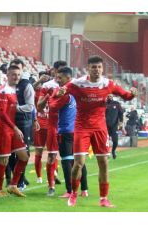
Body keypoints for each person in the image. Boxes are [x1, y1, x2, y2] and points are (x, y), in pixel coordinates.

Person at [56, 56, 137, 207]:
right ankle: (74, 194)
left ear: (102, 69)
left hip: (100, 128)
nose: (97, 70)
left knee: (104, 163)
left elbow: (126, 96)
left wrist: (133, 93)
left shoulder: (107, 84)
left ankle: (103, 198)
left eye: (99, 67)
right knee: (78, 163)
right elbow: (60, 92)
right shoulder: (77, 83)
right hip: (82, 128)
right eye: (94, 67)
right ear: (88, 69)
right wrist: (59, 93)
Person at [48, 67, 88, 198]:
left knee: (66, 161)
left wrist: (53, 95)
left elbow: (52, 106)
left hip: (66, 131)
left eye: (60, 78)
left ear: (68, 78)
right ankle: (84, 190)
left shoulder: (65, 94)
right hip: (79, 130)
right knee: (80, 161)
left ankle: (69, 191)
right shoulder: (79, 92)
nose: (57, 80)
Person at [0, 65, 29, 197]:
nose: (16, 77)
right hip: (3, 129)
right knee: (4, 160)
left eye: (18, 75)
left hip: (11, 128)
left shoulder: (13, 90)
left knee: (24, 157)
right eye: (13, 74)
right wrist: (15, 128)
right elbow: (2, 114)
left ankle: (13, 185)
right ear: (7, 75)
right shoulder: (3, 91)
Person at [37, 60, 67, 196]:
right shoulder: (47, 86)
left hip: (69, 126)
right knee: (51, 155)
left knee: (73, 157)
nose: (61, 74)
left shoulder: (72, 86)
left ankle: (77, 188)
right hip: (53, 125)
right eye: (59, 71)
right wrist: (50, 96)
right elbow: (39, 106)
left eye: (63, 71)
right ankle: (51, 186)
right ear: (54, 71)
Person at [5, 59, 35, 191]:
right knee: (10, 153)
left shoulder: (26, 85)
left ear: (22, 70)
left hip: (23, 122)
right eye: (13, 71)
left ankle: (20, 182)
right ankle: (14, 181)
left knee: (23, 154)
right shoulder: (6, 86)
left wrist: (14, 108)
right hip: (9, 123)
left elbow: (30, 106)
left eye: (18, 70)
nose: (16, 74)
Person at [33, 71, 51, 184]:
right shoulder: (36, 91)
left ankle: (54, 174)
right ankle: (39, 176)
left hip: (51, 124)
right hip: (40, 123)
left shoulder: (52, 90)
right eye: (41, 80)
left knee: (52, 151)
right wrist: (39, 81)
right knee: (39, 151)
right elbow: (33, 86)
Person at [105, 94, 123, 159]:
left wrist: (121, 122)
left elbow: (121, 113)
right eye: (108, 96)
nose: (109, 97)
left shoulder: (117, 104)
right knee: (105, 141)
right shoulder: (104, 104)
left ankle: (113, 151)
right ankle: (107, 153)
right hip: (105, 126)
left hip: (114, 126)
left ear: (112, 97)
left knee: (115, 141)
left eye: (110, 96)